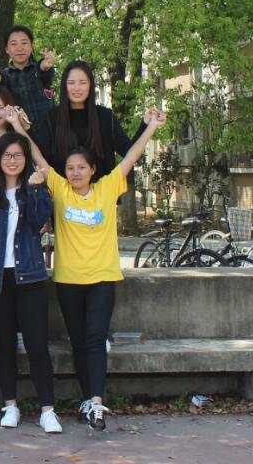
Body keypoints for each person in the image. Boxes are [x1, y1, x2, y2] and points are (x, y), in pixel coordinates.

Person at [27, 109, 167, 431]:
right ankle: (87, 399)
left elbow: (131, 156)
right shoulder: (59, 188)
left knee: (95, 338)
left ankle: (96, 402)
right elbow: (37, 156)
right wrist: (18, 127)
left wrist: (151, 128)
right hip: (68, 280)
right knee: (78, 342)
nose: (75, 173)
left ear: (92, 170)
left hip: (103, 278)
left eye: (81, 167)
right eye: (70, 168)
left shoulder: (107, 188)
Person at [0, 133, 60, 432]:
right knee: (5, 345)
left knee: (37, 345)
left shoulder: (34, 189)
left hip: (30, 276)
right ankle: (10, 405)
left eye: (18, 155)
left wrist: (35, 188)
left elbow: (39, 220)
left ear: (26, 160)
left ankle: (47, 410)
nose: (12, 160)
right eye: (7, 155)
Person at [47, 60, 147, 181]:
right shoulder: (52, 118)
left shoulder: (105, 116)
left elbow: (129, 151)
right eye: (71, 83)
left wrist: (145, 124)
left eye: (82, 82)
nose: (76, 88)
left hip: (102, 191)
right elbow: (41, 156)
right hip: (62, 192)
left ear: (90, 85)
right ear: (64, 86)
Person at [0, 26, 56, 148]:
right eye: (14, 44)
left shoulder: (38, 69)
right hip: (21, 140)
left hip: (51, 134)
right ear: (7, 49)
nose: (19, 48)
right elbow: (1, 77)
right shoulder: (6, 75)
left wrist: (45, 65)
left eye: (24, 43)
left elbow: (43, 70)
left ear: (31, 46)